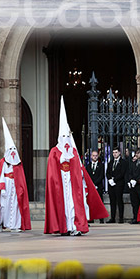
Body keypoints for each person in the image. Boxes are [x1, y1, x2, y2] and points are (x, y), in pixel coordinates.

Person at [44, 97, 91, 236]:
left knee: (72, 204)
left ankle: (74, 227)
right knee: (62, 205)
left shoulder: (73, 151)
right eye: (63, 136)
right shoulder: (54, 151)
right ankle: (63, 227)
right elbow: (52, 170)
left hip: (71, 183)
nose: (65, 139)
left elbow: (76, 167)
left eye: (67, 136)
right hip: (60, 182)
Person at [0, 117, 31, 231]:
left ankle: (15, 225)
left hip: (15, 187)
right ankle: (0, 222)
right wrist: (2, 188)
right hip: (6, 186)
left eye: (14, 149)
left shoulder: (18, 164)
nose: (13, 152)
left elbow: (21, 178)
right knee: (4, 206)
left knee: (15, 205)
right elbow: (0, 177)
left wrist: (20, 188)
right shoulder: (3, 163)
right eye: (11, 149)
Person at [106, 147, 128, 223]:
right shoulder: (111, 162)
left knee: (119, 200)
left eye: (116, 152)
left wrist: (114, 179)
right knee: (112, 201)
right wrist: (109, 179)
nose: (114, 154)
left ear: (119, 153)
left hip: (119, 184)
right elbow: (107, 172)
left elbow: (122, 173)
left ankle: (121, 218)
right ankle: (112, 218)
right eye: (113, 152)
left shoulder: (123, 162)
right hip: (111, 184)